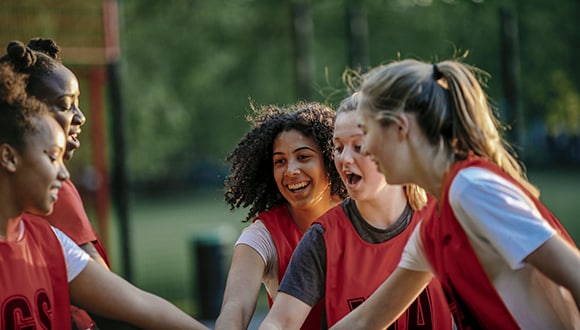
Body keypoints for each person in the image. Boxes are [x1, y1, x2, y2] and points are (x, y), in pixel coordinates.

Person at [330, 59, 580, 330]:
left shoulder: (471, 189)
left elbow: (575, 273)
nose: (364, 149)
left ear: (400, 128)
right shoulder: (433, 227)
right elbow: (366, 320)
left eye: (365, 133)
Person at [0, 62, 209, 329]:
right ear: (8, 156)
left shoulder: (49, 241)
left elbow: (139, 305)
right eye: (52, 157)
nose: (64, 174)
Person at [258, 93, 453, 329]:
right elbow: (279, 323)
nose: (344, 159)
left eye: (359, 146)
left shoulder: (439, 217)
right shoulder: (324, 237)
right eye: (338, 147)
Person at [0, 38, 112, 329]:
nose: (80, 116)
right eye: (65, 105)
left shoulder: (48, 184)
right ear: (28, 113)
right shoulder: (50, 190)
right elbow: (112, 306)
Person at [214, 102, 347, 330]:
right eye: (280, 161)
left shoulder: (361, 215)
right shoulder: (262, 237)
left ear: (329, 160)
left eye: (303, 157)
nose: (290, 170)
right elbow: (235, 307)